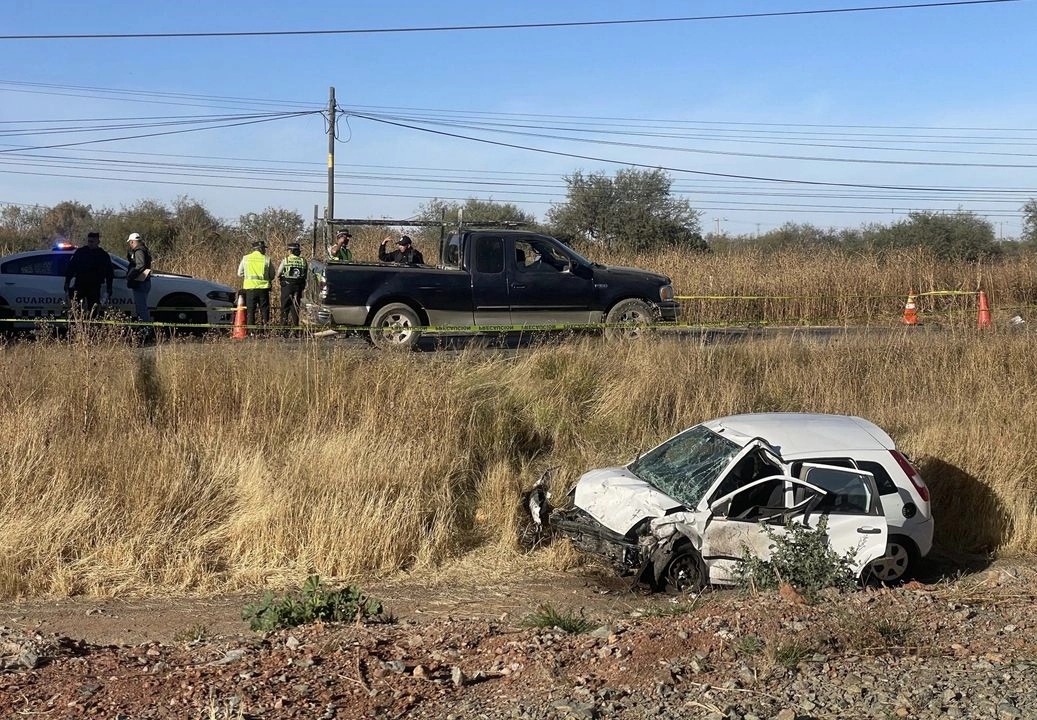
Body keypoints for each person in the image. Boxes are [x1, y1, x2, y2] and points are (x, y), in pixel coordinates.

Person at [64, 230, 114, 316]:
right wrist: (67, 282)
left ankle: (92, 326)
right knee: (76, 308)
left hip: (94, 286)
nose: (90, 243)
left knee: (93, 308)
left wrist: (109, 287)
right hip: (80, 284)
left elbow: (109, 273)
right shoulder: (81, 252)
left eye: (92, 241)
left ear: (98, 241)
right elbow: (71, 268)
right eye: (89, 241)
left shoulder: (103, 255)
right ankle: (76, 326)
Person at [236, 240, 274, 332]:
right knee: (264, 311)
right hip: (263, 289)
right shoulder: (266, 259)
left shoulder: (246, 258)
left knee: (251, 311)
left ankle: (251, 332)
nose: (265, 250)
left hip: (250, 288)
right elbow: (272, 274)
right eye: (264, 248)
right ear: (260, 249)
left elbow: (239, 273)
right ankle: (265, 331)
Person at [276, 241, 308, 331]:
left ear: (290, 251)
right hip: (298, 286)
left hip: (287, 286)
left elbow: (278, 274)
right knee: (296, 307)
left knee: (285, 307)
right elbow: (306, 274)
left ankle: (283, 328)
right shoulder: (303, 261)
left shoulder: (286, 260)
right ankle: (295, 328)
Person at [125, 232, 152, 323]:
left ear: (132, 242)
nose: (130, 244)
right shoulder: (144, 250)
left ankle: (145, 328)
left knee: (141, 307)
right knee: (141, 306)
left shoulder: (139, 251)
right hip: (144, 281)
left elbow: (140, 265)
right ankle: (144, 326)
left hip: (140, 282)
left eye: (130, 242)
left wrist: (131, 275)